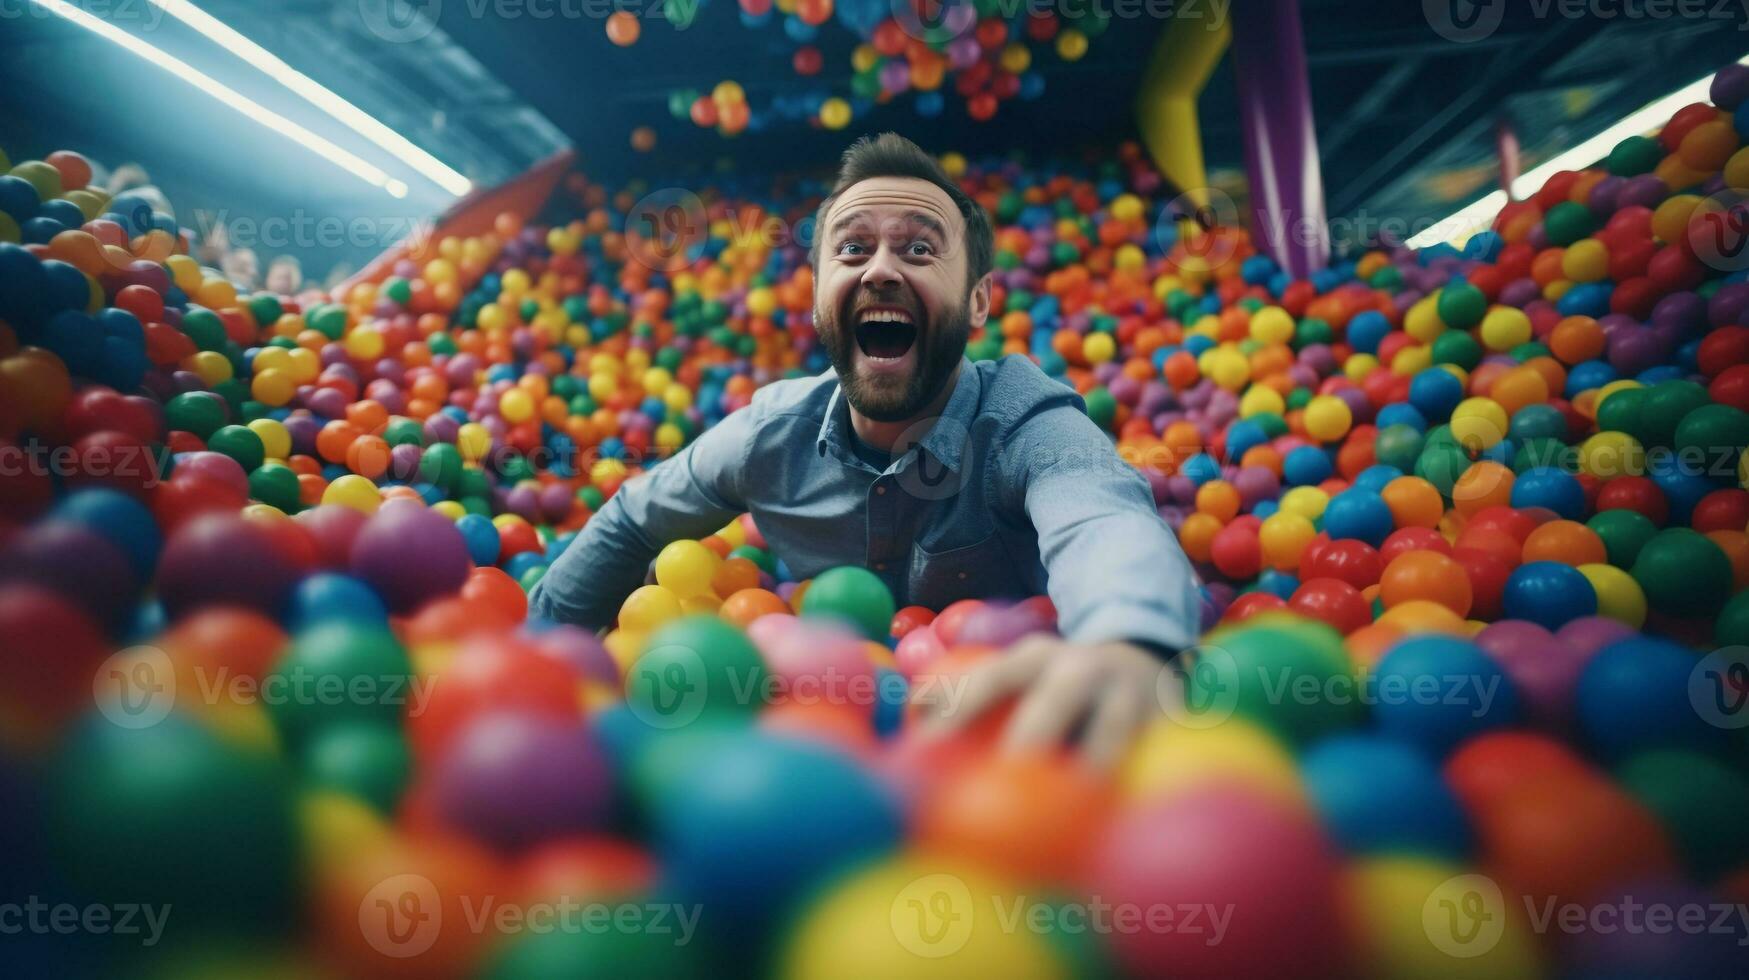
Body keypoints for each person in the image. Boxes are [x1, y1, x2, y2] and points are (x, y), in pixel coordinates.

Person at [532, 133, 1203, 766]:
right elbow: (628, 519)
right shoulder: (765, 435)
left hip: (986, 746)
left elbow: (1102, 518)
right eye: (852, 251)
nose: (880, 268)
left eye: (918, 250)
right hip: (807, 739)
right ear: (821, 298)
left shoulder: (1024, 422)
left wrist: (1129, 640)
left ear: (977, 302)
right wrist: (535, 657)